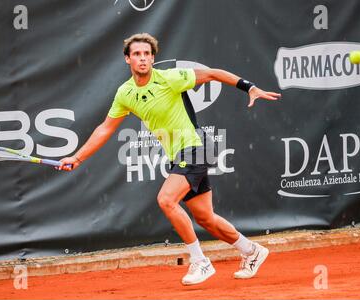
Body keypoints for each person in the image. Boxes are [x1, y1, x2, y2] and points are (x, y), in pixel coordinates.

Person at [59, 33, 281, 285]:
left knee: (166, 200)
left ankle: (200, 262)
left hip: (196, 147)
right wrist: (77, 157)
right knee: (205, 217)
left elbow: (212, 73)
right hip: (178, 154)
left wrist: (249, 87)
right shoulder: (125, 93)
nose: (142, 59)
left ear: (153, 58)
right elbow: (106, 128)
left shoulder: (170, 78)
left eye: (146, 54)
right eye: (136, 54)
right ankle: (252, 251)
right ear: (127, 59)